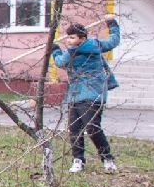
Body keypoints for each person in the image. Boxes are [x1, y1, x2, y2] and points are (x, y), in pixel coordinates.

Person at [50, 14, 121, 172]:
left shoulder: (76, 50)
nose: (69, 40)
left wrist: (54, 50)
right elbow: (114, 40)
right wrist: (112, 23)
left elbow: (60, 62)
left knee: (92, 127)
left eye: (72, 37)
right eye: (68, 37)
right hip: (76, 94)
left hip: (92, 94)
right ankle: (78, 160)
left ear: (82, 38)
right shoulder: (94, 45)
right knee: (74, 128)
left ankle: (108, 159)